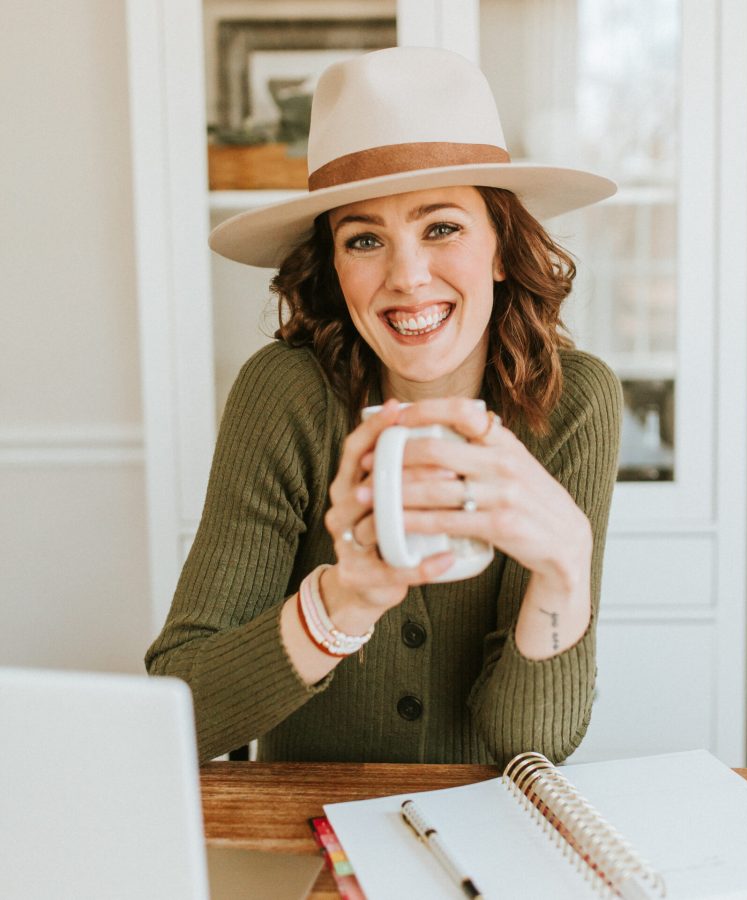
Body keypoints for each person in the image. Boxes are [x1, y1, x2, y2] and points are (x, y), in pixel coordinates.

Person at [146, 46, 621, 767]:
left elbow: (530, 743)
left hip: (479, 836)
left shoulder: (575, 401)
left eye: (441, 228)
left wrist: (567, 568)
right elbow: (178, 712)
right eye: (364, 239)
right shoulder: (285, 395)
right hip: (305, 831)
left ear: (500, 245)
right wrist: (343, 601)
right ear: (334, 267)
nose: (406, 277)